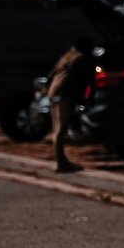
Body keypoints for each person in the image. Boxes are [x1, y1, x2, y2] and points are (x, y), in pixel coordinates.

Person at [47, 37, 97, 173]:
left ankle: (61, 160)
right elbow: (90, 79)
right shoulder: (84, 59)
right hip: (65, 95)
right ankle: (61, 164)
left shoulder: (68, 57)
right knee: (61, 129)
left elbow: (51, 75)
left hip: (54, 92)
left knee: (57, 129)